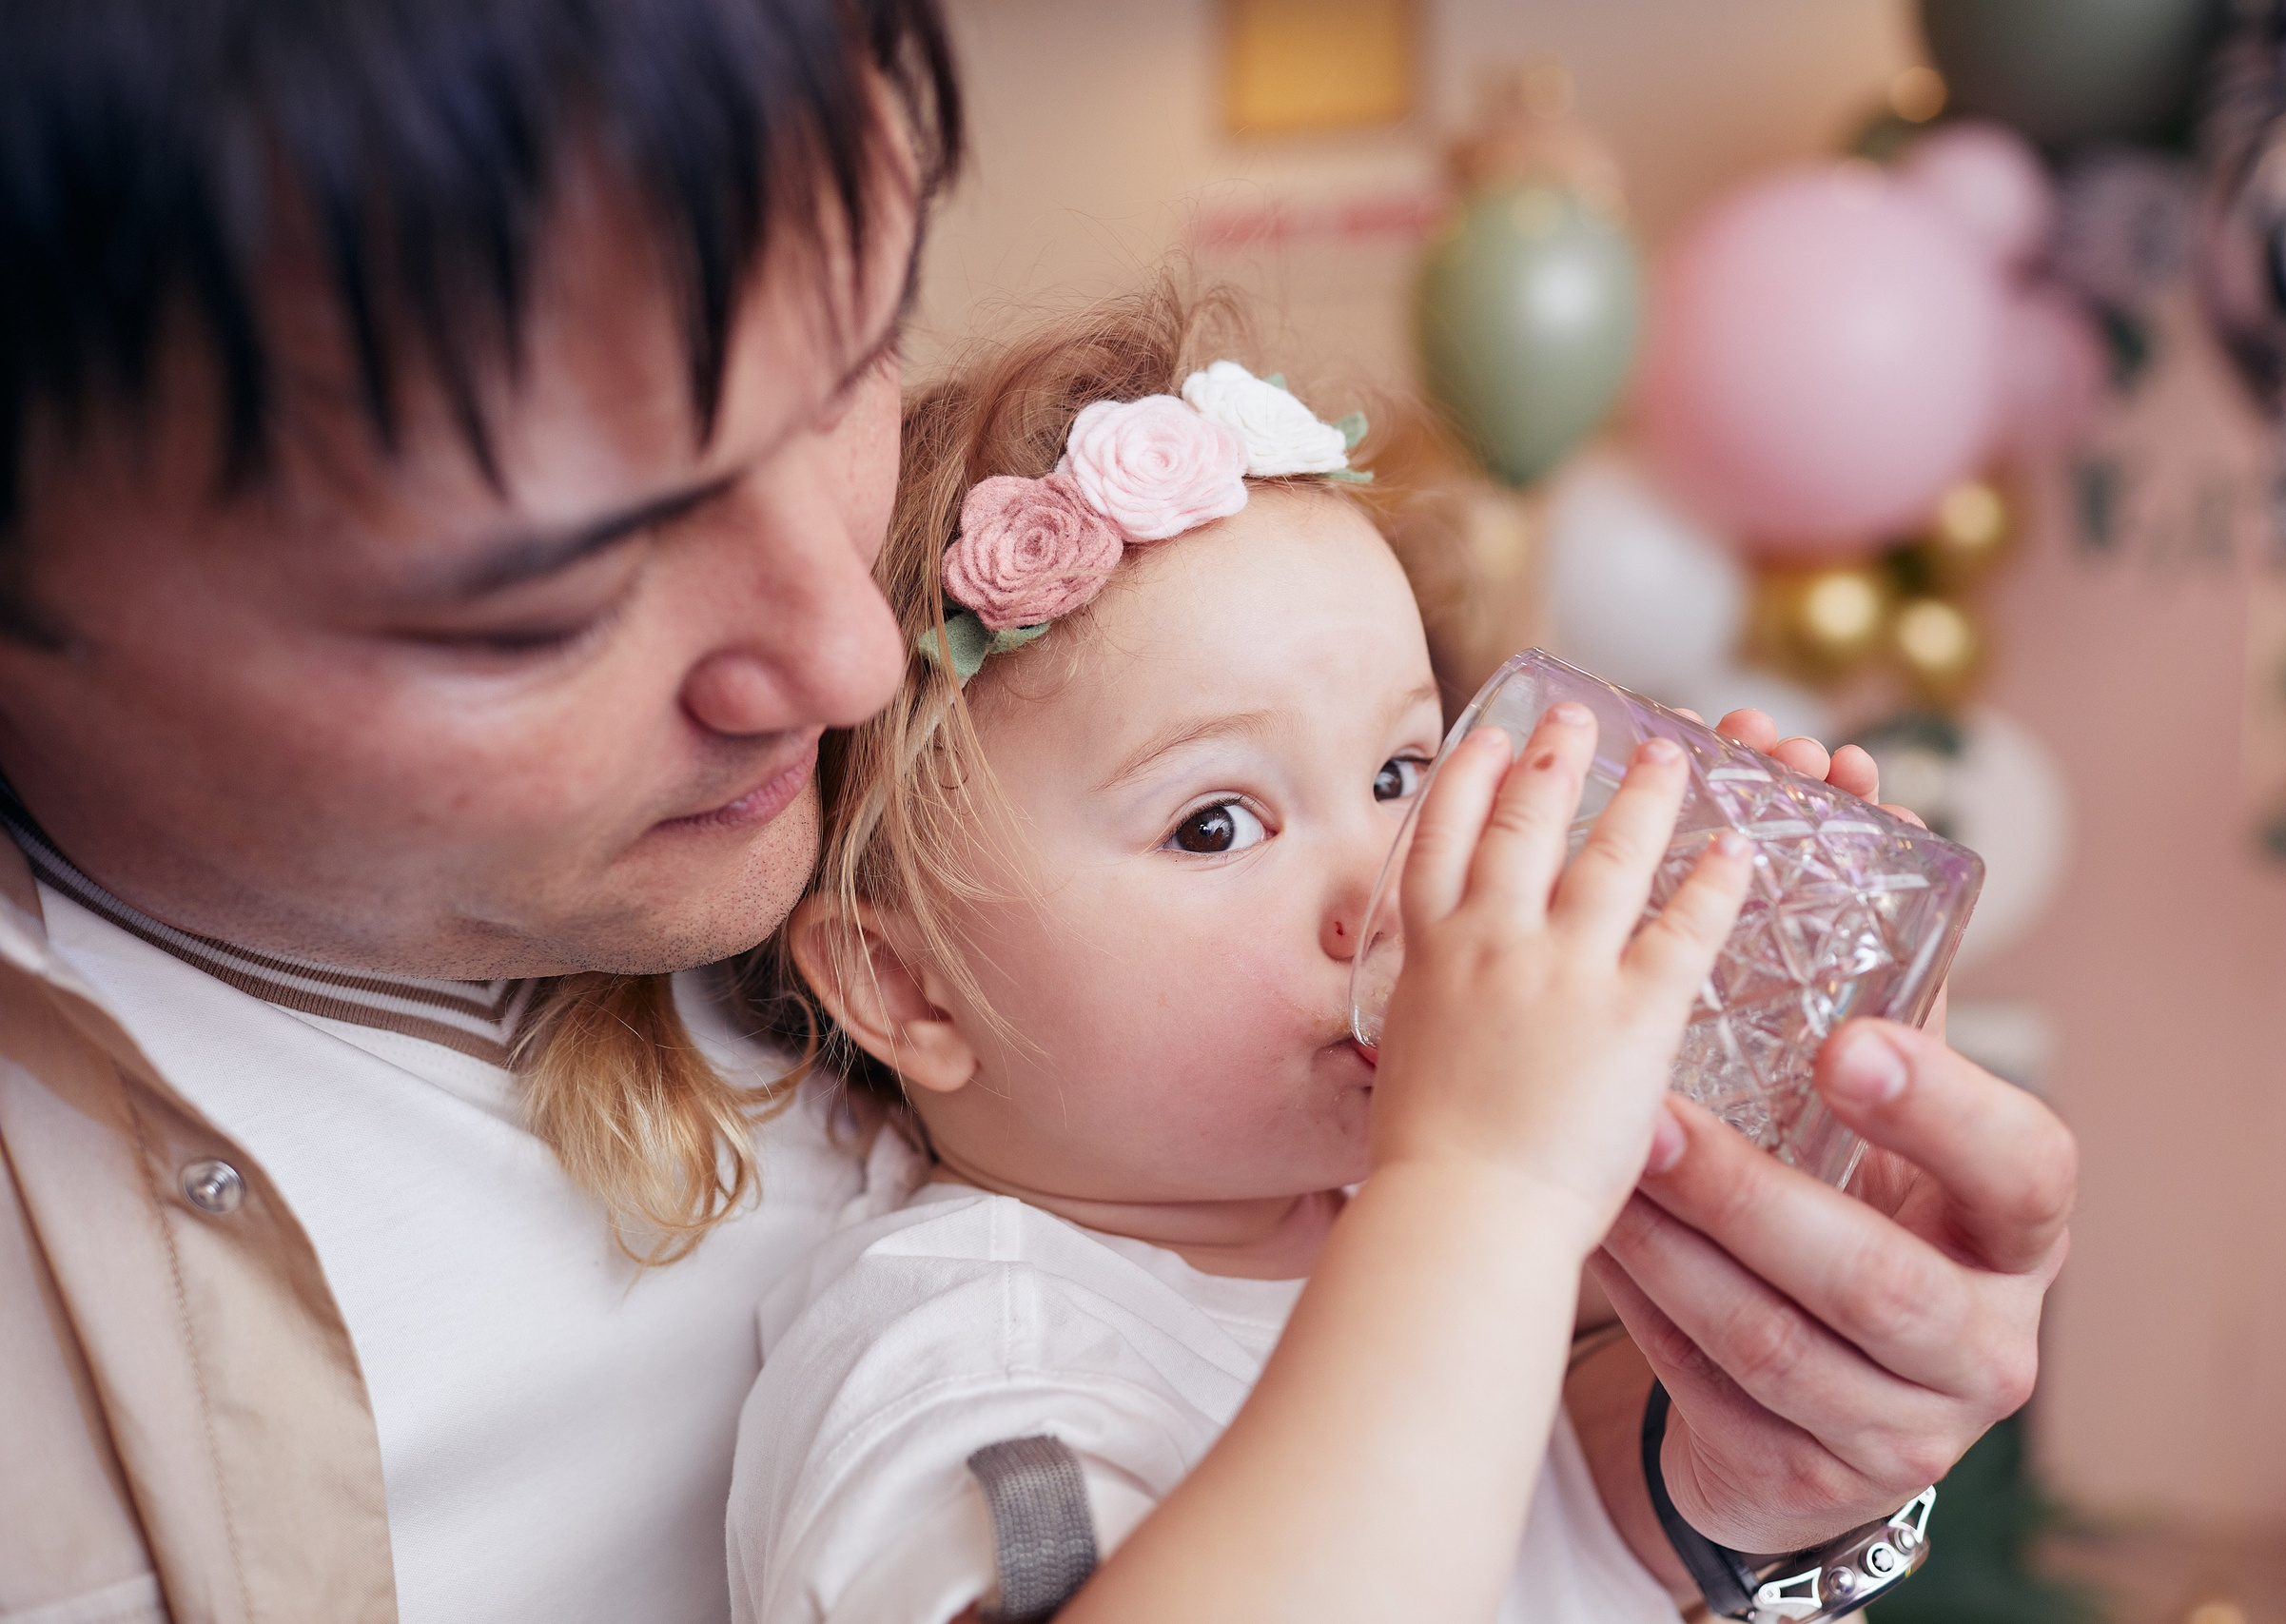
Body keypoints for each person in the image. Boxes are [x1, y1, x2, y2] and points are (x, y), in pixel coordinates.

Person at [0, 6, 2074, 1624]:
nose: (834, 665)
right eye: (546, 596)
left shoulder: (1281, 1215)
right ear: (890, 976)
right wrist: (1485, 1199)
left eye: (845, 379)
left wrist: (1730, 1479)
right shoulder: (989, 1341)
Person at [724, 291, 1771, 1622]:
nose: (1391, 893)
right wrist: (1487, 1188)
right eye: (1216, 825)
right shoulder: (964, 1353)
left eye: (1402, 771)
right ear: (907, 987)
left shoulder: (1396, 1238)